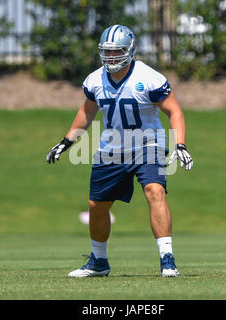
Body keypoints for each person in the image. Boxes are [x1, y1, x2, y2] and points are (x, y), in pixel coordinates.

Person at [46, 25, 193, 277]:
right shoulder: (94, 80)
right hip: (112, 149)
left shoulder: (149, 78)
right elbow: (87, 112)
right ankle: (99, 262)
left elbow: (174, 111)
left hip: (148, 144)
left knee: (155, 191)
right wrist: (65, 142)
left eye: (117, 52)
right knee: (96, 205)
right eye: (107, 52)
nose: (111, 57)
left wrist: (180, 144)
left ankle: (167, 259)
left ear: (130, 51)